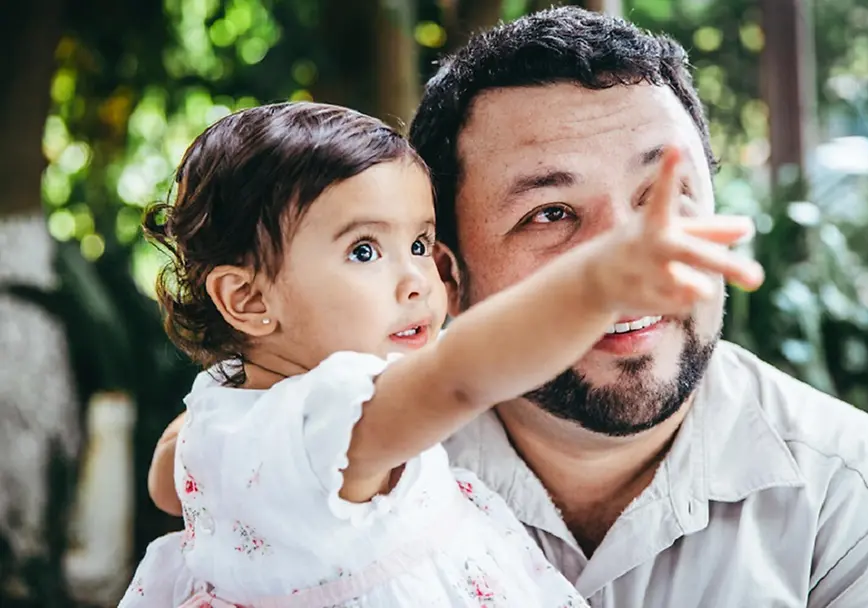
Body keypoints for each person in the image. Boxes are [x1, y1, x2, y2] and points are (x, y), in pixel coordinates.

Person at [147, 7, 868, 607]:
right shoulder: (386, 419)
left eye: (663, 199)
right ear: (453, 271)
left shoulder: (852, 497)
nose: (631, 258)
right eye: (550, 214)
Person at [121, 100, 761, 608]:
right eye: (365, 251)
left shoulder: (231, 408)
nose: (418, 281)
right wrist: (595, 283)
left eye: (422, 244)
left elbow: (167, 484)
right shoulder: (337, 428)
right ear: (247, 298)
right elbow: (459, 378)